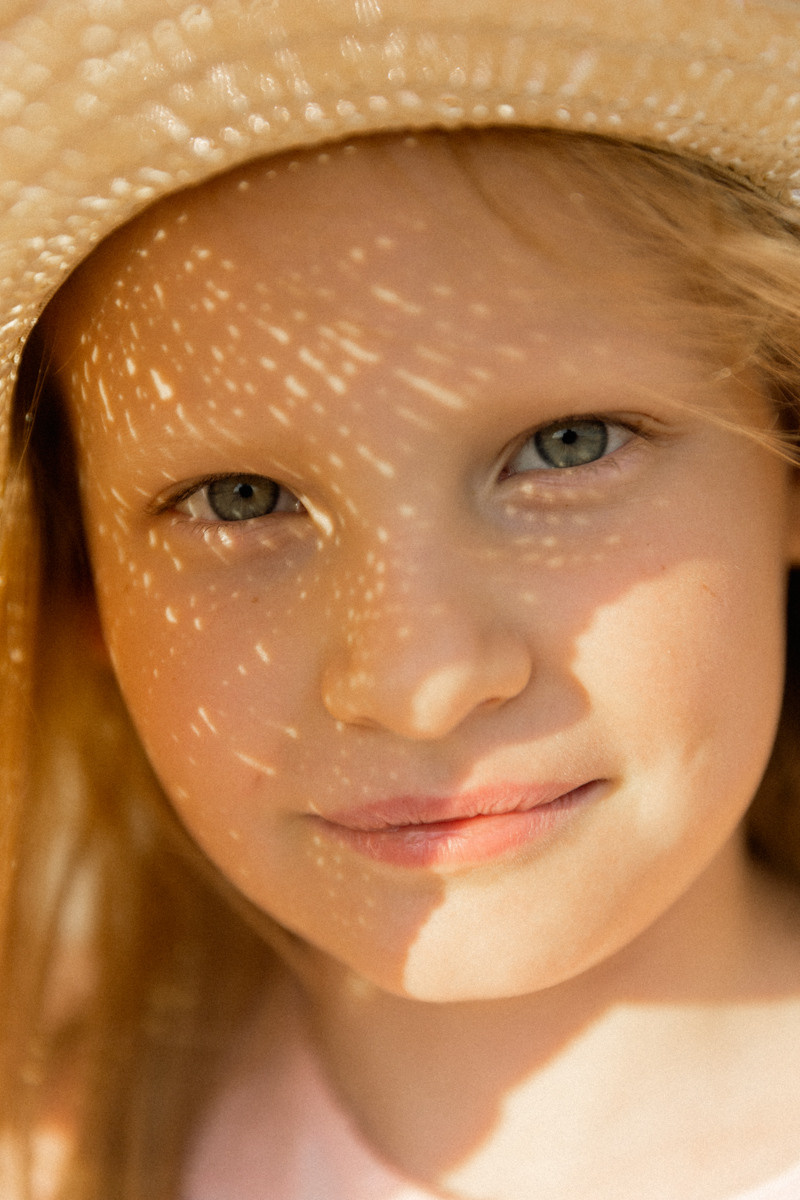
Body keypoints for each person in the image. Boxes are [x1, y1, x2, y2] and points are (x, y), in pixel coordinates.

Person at [4, 4, 800, 1199]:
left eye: (562, 447)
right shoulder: (59, 1147)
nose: (415, 684)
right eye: (238, 498)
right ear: (84, 593)